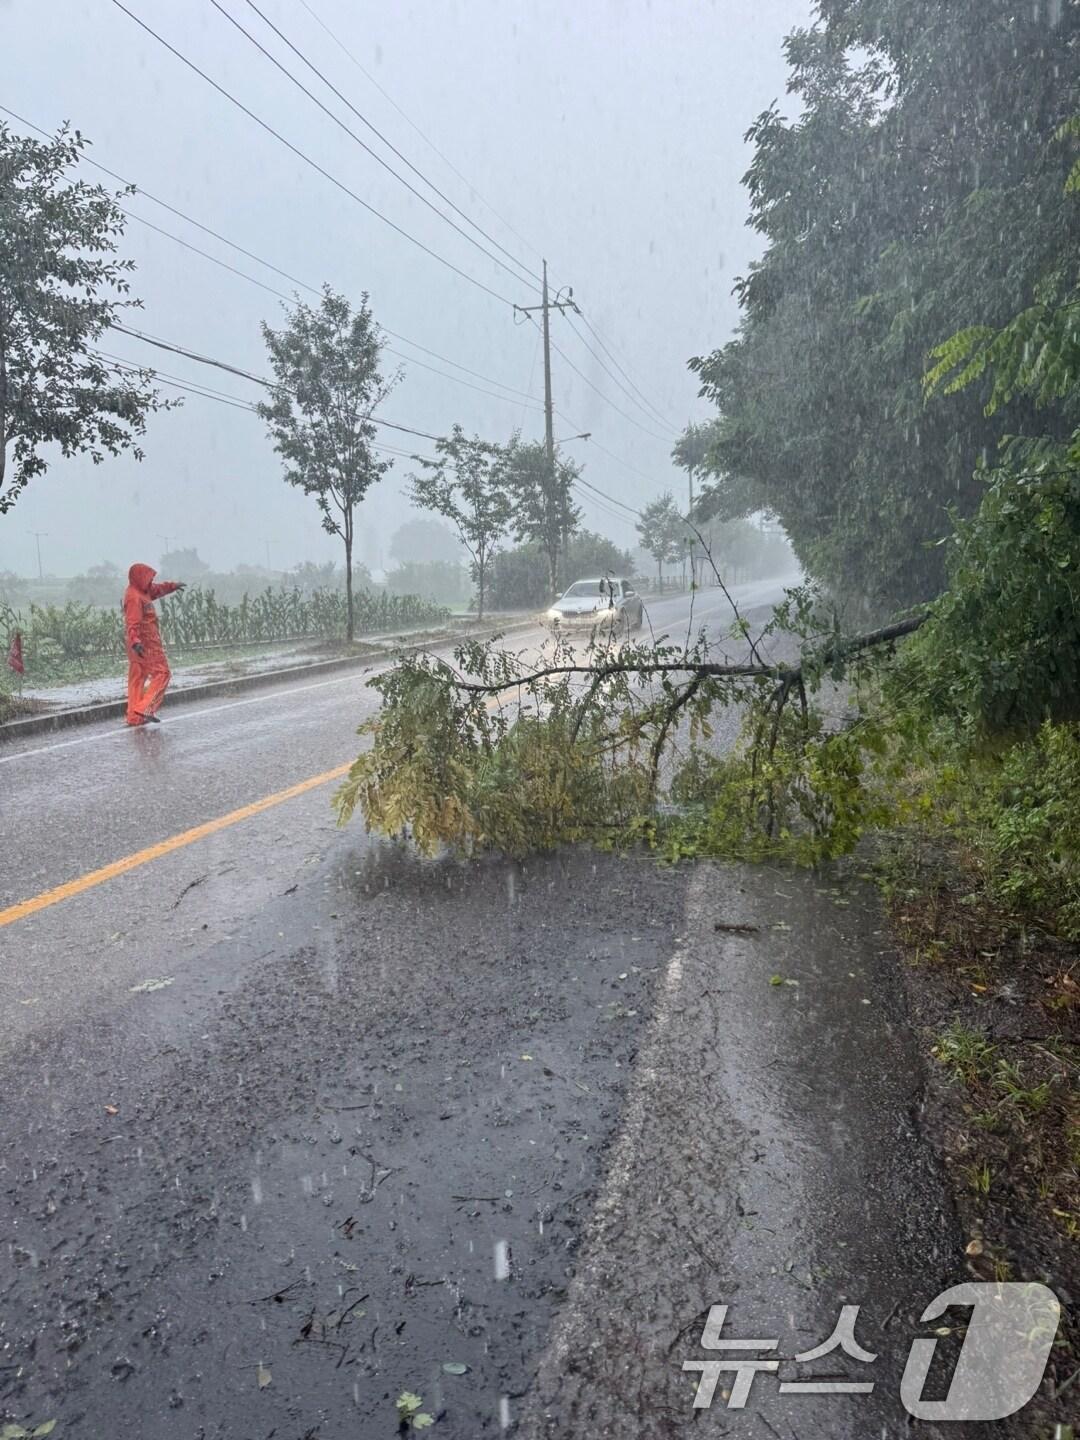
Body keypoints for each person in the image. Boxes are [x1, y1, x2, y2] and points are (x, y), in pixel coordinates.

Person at [123, 563, 186, 726]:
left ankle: (134, 716)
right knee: (162, 673)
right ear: (140, 578)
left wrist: (172, 586)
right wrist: (136, 641)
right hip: (146, 642)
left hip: (136, 643)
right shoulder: (134, 597)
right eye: (148, 578)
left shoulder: (143, 590)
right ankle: (146, 708)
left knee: (138, 678)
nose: (151, 581)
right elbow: (132, 623)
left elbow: (157, 589)